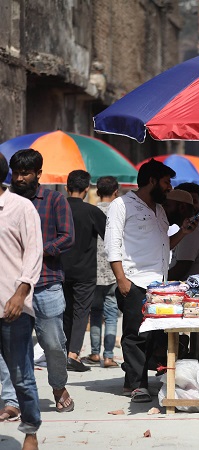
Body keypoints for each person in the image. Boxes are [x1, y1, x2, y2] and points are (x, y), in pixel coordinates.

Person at [105, 159, 196, 403]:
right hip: (134, 280)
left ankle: (136, 381)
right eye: (166, 182)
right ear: (152, 181)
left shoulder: (158, 209)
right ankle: (137, 385)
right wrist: (121, 279)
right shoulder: (122, 205)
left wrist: (183, 233)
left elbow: (164, 245)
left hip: (159, 283)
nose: (169, 188)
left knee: (154, 335)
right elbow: (112, 244)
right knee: (135, 335)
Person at [9, 149, 75, 413]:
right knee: (14, 345)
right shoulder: (7, 201)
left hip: (47, 283)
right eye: (16, 173)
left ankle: (59, 388)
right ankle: (15, 399)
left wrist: (37, 250)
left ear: (38, 174)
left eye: (25, 173)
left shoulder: (55, 200)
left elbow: (67, 237)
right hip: (12, 288)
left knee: (53, 344)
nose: (19, 178)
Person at [0, 153, 43, 449]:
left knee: (21, 375)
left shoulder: (20, 207)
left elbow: (34, 253)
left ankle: (30, 431)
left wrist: (20, 292)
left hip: (11, 307)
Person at [60, 170, 107, 373]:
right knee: (81, 313)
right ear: (88, 189)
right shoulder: (92, 211)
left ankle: (64, 352)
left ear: (66, 187)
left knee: (65, 312)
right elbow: (109, 236)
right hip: (85, 272)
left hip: (60, 269)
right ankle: (73, 354)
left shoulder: (58, 209)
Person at [83, 176, 120, 368]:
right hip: (114, 270)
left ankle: (94, 353)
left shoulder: (91, 210)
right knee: (112, 313)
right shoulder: (119, 212)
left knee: (95, 312)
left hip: (93, 270)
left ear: (97, 192)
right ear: (116, 192)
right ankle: (108, 356)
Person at [165, 189, 199, 279]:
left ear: (181, 207)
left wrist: (155, 281)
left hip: (198, 290)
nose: (163, 211)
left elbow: (180, 270)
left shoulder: (192, 229)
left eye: (167, 206)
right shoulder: (188, 228)